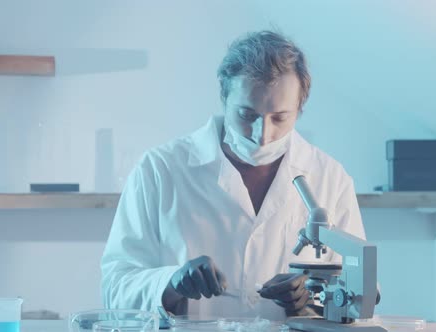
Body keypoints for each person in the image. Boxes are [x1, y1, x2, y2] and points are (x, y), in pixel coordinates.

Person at [100, 30, 366, 321]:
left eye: (279, 117)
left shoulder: (330, 178)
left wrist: (310, 300)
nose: (262, 135)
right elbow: (115, 288)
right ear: (224, 97)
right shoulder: (159, 170)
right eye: (246, 114)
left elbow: (355, 293)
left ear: (299, 110)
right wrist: (171, 284)